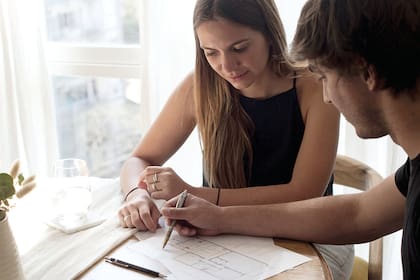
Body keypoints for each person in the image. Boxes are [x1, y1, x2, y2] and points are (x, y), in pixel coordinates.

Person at [161, 0, 420, 278]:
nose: (326, 97)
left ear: (366, 72)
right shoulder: (414, 170)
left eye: (323, 76)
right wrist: (220, 217)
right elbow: (356, 213)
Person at [118, 0, 353, 278]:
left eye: (239, 48)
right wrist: (137, 194)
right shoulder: (199, 86)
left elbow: (304, 193)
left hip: (305, 238)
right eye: (211, 52)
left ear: (270, 34)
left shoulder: (314, 86)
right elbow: (139, 159)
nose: (227, 65)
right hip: (220, 238)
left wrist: (195, 195)